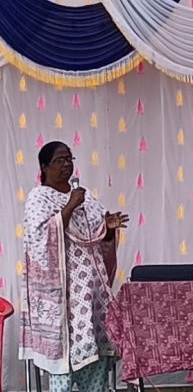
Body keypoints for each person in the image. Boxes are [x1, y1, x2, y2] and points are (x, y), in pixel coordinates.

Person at [19, 141, 129, 392]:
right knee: (66, 364)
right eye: (60, 160)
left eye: (69, 159)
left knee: (95, 360)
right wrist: (69, 206)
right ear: (44, 166)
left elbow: (98, 235)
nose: (67, 164)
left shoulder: (86, 196)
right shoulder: (38, 197)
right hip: (63, 296)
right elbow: (39, 240)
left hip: (90, 293)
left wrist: (108, 228)